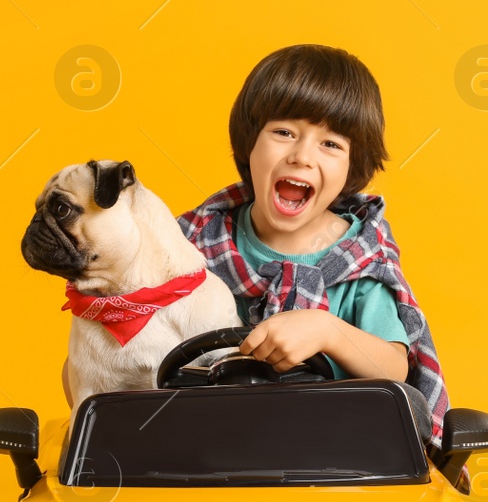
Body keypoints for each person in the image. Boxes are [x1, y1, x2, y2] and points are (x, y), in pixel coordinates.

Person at [177, 43, 450, 449]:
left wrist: (327, 331)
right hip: (206, 451)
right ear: (250, 143)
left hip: (331, 463)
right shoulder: (189, 247)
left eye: (331, 144)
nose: (302, 157)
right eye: (284, 132)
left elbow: (395, 370)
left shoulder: (360, 258)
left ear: (352, 167)